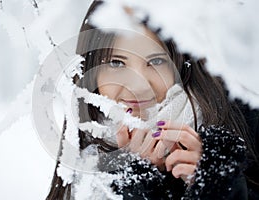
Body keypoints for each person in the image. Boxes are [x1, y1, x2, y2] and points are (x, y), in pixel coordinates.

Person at [46, 1, 258, 199]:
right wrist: (140, 182)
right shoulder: (84, 165)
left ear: (182, 64)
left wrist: (217, 187)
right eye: (117, 63)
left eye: (156, 61)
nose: (138, 86)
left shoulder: (241, 126)